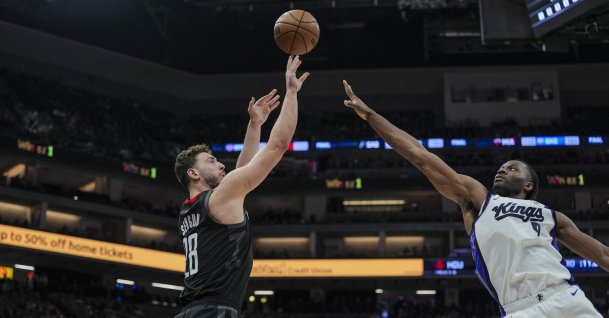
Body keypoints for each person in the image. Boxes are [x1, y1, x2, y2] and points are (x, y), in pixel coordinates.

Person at [341, 80, 609, 318]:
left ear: (529, 184)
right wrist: (371, 116)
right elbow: (420, 156)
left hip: (566, 298)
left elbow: (601, 253)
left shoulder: (552, 216)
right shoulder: (480, 201)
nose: (502, 169)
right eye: (501, 167)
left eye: (512, 167)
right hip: (522, 309)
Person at [173, 56, 309, 318]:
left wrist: (255, 124)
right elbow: (278, 145)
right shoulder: (218, 200)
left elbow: (240, 175)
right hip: (214, 311)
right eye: (211, 162)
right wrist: (291, 92)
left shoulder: (188, 211)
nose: (221, 166)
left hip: (193, 311)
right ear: (193, 173)